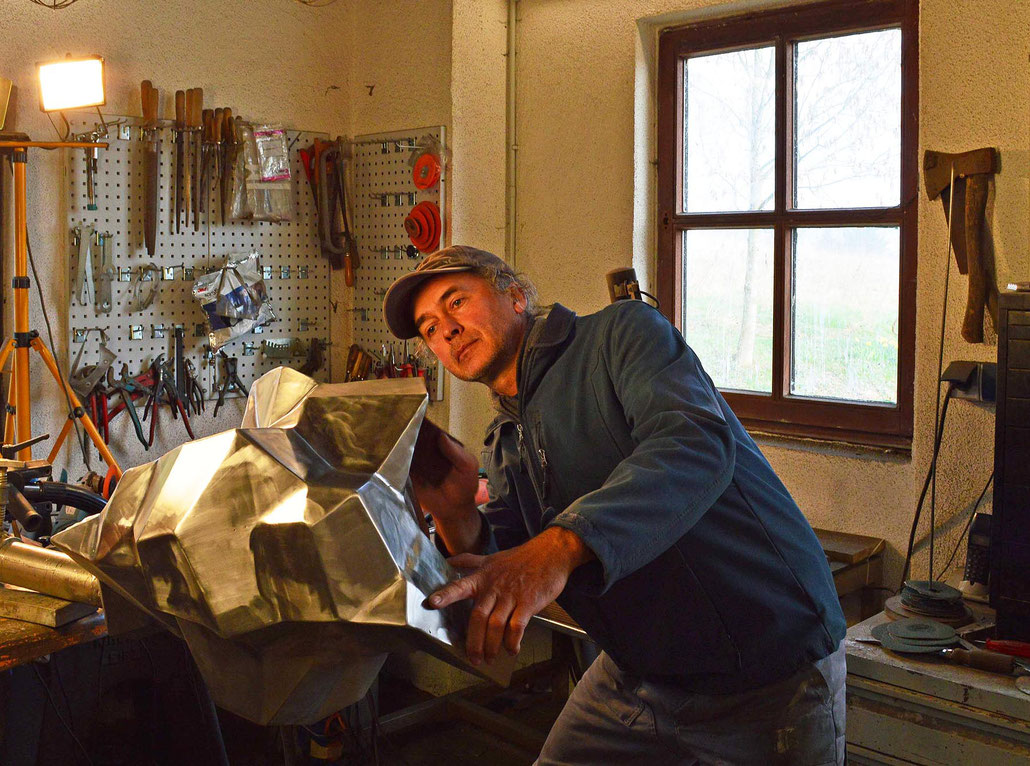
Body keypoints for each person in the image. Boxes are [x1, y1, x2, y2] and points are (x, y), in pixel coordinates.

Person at [383, 245, 847, 765]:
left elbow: (692, 443)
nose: (444, 329)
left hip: (766, 669)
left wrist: (559, 548)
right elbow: (506, 562)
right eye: (428, 327)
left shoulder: (623, 333)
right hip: (638, 674)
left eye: (456, 303)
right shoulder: (504, 441)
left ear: (515, 296)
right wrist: (456, 513)